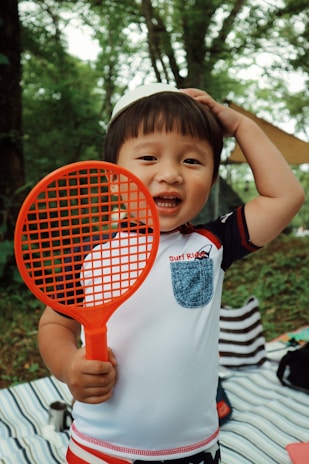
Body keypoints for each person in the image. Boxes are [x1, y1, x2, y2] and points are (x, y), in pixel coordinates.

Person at [38, 83, 304, 464]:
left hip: (193, 451)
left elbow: (286, 196)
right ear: (113, 177)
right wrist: (67, 366)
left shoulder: (213, 243)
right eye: (148, 157)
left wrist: (242, 126)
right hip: (98, 449)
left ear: (211, 181)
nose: (170, 174)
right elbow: (55, 326)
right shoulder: (90, 255)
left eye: (192, 161)